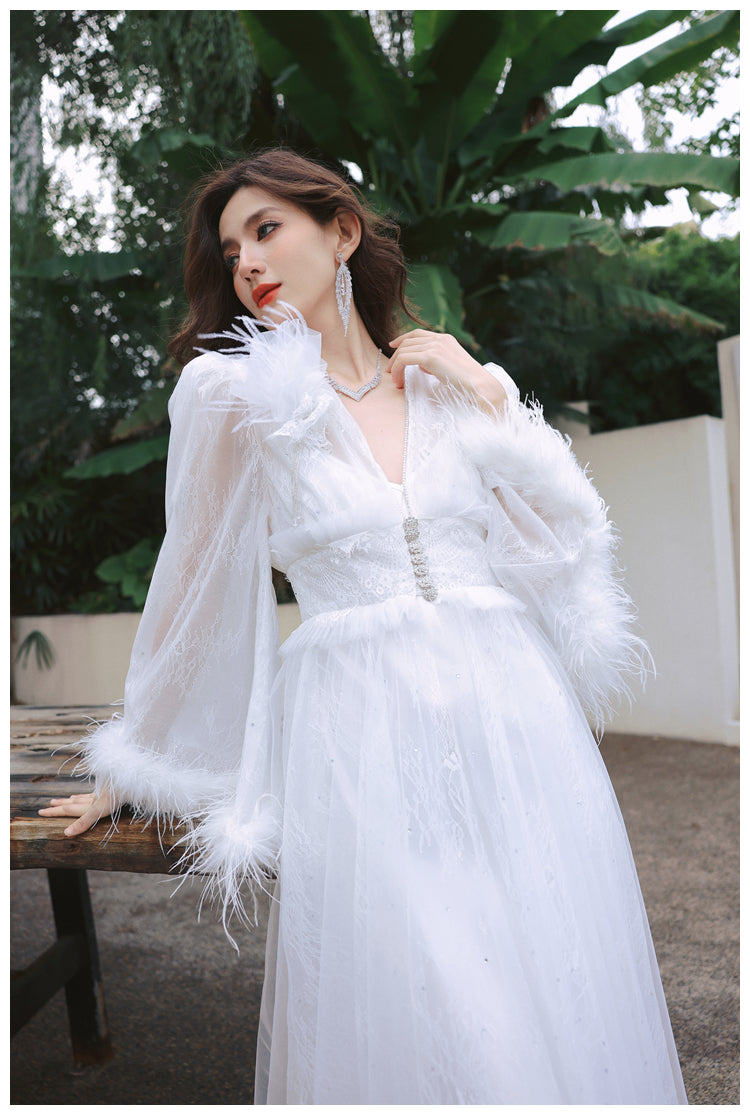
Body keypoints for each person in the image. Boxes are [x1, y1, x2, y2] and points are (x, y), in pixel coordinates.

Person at [40, 148, 687, 1104]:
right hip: (360, 732)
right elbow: (193, 584)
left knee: (552, 972)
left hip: (514, 721)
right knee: (440, 993)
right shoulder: (234, 399)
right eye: (230, 251)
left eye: (267, 230)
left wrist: (490, 393)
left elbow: (562, 548)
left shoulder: (443, 384)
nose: (247, 263)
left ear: (341, 232)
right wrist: (135, 760)